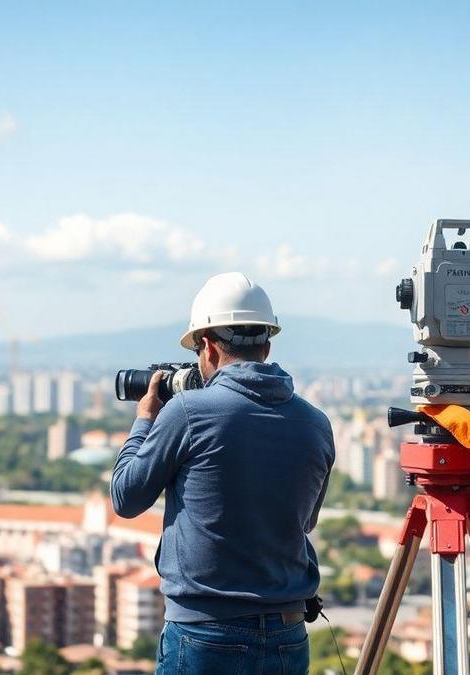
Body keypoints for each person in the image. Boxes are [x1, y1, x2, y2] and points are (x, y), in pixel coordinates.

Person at [111, 271, 335, 675]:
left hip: (204, 635)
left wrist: (145, 420)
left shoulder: (188, 413)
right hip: (288, 635)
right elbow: (305, 520)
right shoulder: (315, 423)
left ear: (209, 346)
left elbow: (125, 499)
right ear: (267, 344)